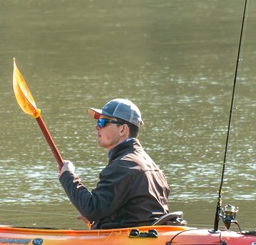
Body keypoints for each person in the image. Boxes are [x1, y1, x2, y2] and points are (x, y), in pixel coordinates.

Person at [58, 98, 171, 229]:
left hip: (132, 244)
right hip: (145, 238)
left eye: (103, 122)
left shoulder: (123, 165)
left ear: (123, 129)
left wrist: (67, 176)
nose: (97, 126)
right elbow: (137, 211)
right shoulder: (151, 165)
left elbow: (91, 209)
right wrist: (100, 217)